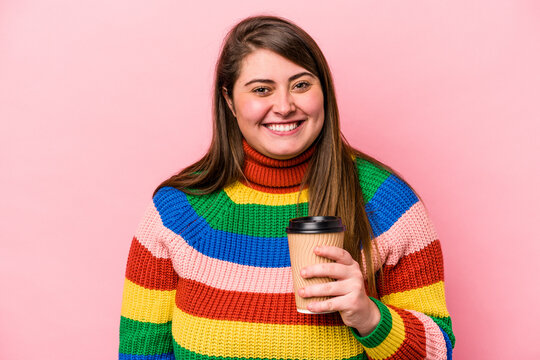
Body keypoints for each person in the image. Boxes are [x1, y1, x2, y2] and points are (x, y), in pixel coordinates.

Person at [119, 15, 455, 360]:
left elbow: (437, 352)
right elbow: (140, 352)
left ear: (323, 91)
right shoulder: (178, 209)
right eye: (261, 89)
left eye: (301, 85)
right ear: (230, 101)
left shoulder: (386, 202)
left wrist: (370, 317)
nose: (284, 106)